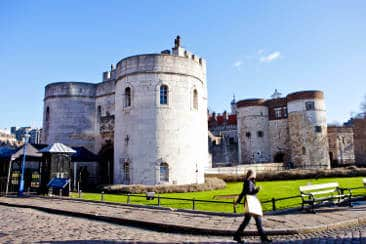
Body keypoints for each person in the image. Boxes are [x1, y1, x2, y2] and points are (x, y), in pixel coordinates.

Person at [233, 169, 271, 243]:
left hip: (251, 204)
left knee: (248, 221)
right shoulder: (248, 182)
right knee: (257, 221)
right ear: (252, 174)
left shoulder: (249, 181)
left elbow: (243, 193)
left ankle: (237, 236)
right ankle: (263, 238)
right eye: (255, 173)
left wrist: (237, 202)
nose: (256, 175)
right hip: (251, 204)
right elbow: (248, 193)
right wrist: (257, 190)